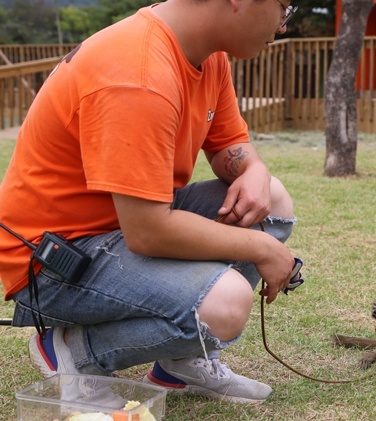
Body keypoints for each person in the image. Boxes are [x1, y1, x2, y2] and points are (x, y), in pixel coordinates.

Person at [0, 0, 301, 405]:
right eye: (285, 6)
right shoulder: (138, 72)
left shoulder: (206, 53)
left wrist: (257, 171)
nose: (284, 25)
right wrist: (263, 247)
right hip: (55, 260)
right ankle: (73, 351)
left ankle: (180, 363)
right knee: (227, 304)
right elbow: (148, 231)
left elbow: (232, 145)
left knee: (273, 198)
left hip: (122, 225)